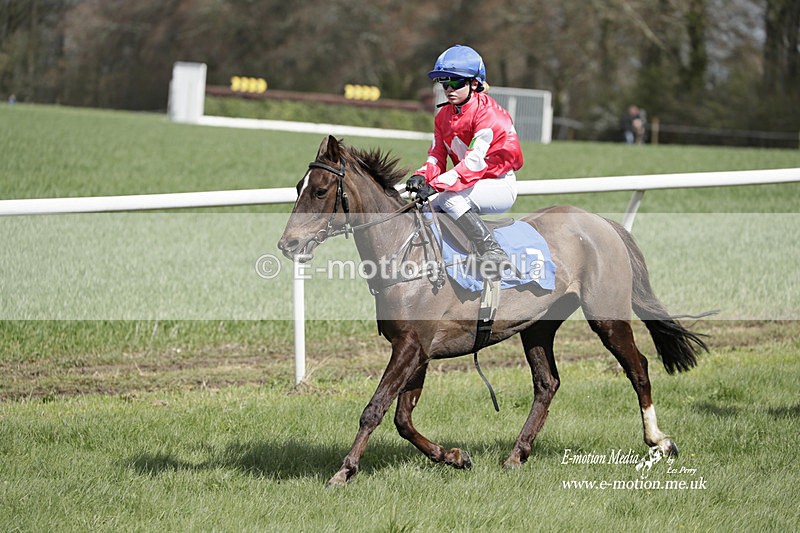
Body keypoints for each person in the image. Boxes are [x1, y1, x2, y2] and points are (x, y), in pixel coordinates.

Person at [406, 45, 523, 274]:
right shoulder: (443, 117)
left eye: (457, 83)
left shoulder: (489, 114)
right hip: (467, 183)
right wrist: (421, 176)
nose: (449, 89)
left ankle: (492, 251)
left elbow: (472, 164)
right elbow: (436, 156)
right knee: (424, 206)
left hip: (497, 183)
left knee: (449, 199)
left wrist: (435, 186)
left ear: (474, 84)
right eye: (445, 83)